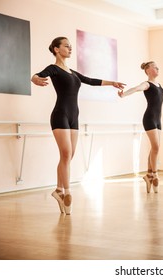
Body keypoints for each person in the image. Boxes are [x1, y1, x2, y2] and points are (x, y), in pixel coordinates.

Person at [31, 37, 125, 214]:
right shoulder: (54, 69)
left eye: (70, 46)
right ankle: (66, 193)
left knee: (69, 155)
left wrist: (112, 83)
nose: (70, 48)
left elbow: (90, 80)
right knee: (65, 154)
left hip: (74, 117)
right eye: (66, 46)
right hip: (60, 115)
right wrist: (34, 79)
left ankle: (58, 190)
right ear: (56, 49)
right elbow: (38, 75)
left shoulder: (73, 73)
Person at [118, 61, 163, 193]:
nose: (157, 68)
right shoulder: (146, 84)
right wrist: (124, 94)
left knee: (154, 148)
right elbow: (136, 89)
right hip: (149, 119)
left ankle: (148, 175)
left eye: (158, 67)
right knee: (156, 147)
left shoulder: (159, 86)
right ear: (148, 70)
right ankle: (155, 174)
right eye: (155, 67)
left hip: (158, 120)